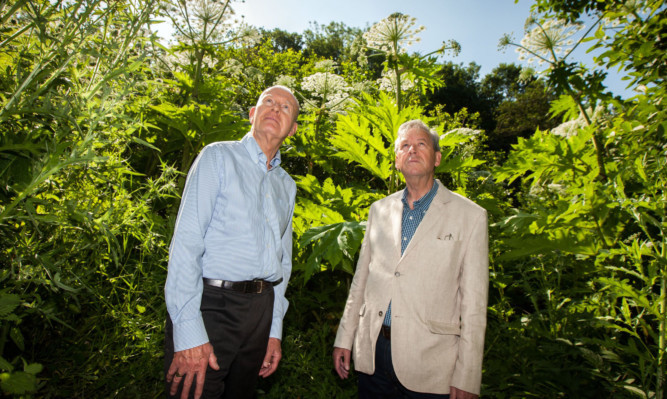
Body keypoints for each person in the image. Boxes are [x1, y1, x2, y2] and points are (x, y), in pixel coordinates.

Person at [332, 119, 489, 399]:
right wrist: (345, 338)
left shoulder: (471, 216)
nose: (412, 151)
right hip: (374, 354)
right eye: (405, 146)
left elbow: (475, 306)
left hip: (431, 363)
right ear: (396, 160)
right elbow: (361, 280)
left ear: (437, 157)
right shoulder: (378, 211)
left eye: (421, 144)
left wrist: (468, 376)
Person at [164, 86, 299, 399]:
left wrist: (274, 330)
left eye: (285, 107)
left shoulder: (286, 185)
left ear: (291, 130)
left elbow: (284, 263)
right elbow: (186, 242)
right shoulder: (217, 156)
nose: (275, 109)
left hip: (261, 310)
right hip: (212, 304)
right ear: (252, 114)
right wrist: (188, 329)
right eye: (268, 102)